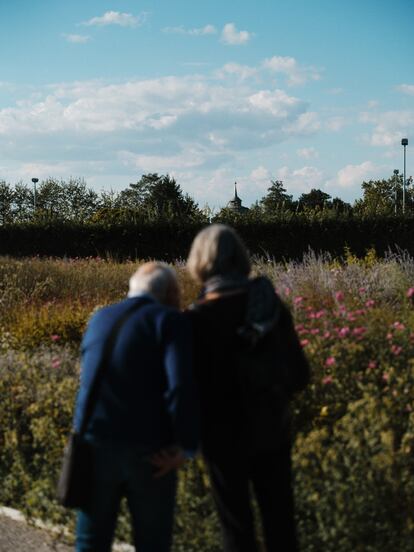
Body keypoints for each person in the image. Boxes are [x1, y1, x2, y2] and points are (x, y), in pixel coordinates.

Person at [186, 224, 310, 552]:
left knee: (236, 529)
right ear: (240, 256)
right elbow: (299, 373)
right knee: (281, 524)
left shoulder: (196, 320)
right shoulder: (268, 305)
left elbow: (187, 389)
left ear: (200, 263)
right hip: (271, 430)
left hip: (222, 439)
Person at [73, 262, 199, 552]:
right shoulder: (169, 321)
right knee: (152, 543)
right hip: (149, 449)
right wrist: (186, 446)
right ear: (170, 292)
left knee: (90, 542)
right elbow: (179, 387)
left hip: (94, 443)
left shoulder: (100, 318)